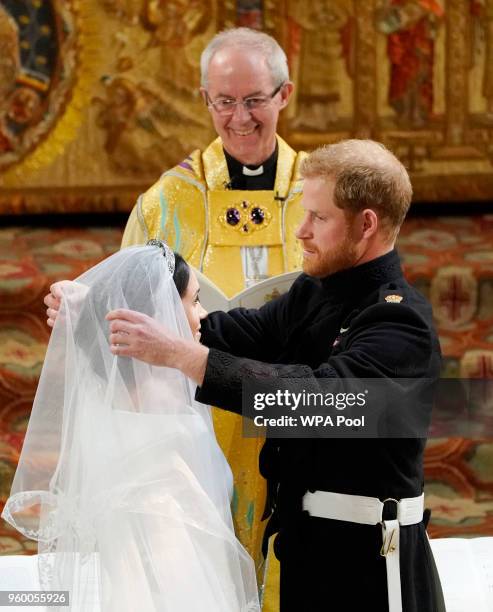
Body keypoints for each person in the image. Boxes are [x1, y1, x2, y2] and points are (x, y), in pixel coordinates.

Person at [103, 140, 446, 612]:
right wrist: (96, 310)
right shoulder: (316, 291)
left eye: (318, 218)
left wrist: (183, 356)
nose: (301, 232)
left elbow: (317, 405)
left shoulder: (400, 325)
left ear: (366, 224)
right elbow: (235, 332)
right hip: (310, 554)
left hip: (369, 566)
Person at [45, 26, 306, 573]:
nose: (239, 118)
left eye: (254, 100)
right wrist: (78, 309)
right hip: (194, 416)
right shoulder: (166, 201)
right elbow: (121, 312)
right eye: (224, 101)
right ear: (205, 99)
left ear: (284, 94)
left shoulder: (321, 193)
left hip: (297, 411)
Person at [4, 242, 259, 612]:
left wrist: (93, 308)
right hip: (171, 546)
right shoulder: (163, 394)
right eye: (194, 302)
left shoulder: (115, 380)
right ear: (160, 312)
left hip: (136, 548)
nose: (203, 315)